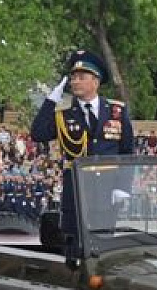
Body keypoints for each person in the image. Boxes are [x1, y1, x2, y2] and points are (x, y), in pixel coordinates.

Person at [29, 49, 134, 257]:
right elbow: (37, 133)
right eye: (73, 77)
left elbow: (127, 151)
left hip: (106, 194)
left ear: (95, 81)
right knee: (74, 252)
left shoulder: (116, 112)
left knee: (103, 251)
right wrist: (51, 101)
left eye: (81, 77)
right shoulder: (64, 114)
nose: (75, 82)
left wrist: (122, 187)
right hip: (76, 194)